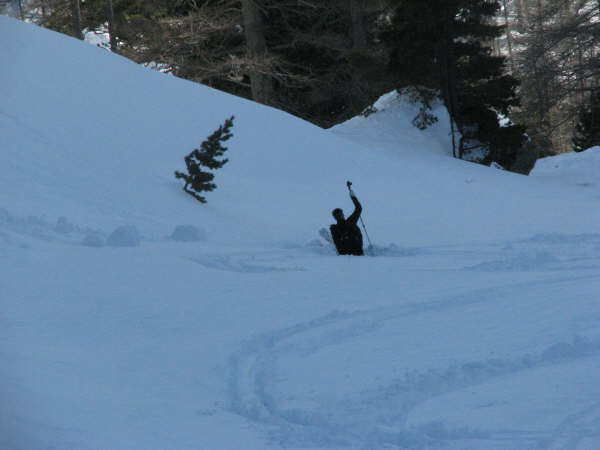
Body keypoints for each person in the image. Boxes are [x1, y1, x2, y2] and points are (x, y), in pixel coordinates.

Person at [330, 185, 364, 256]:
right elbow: (358, 208)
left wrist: (352, 194)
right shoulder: (348, 223)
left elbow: (358, 209)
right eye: (338, 215)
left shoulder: (335, 228)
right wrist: (352, 195)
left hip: (349, 253)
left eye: (340, 214)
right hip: (354, 253)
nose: (340, 216)